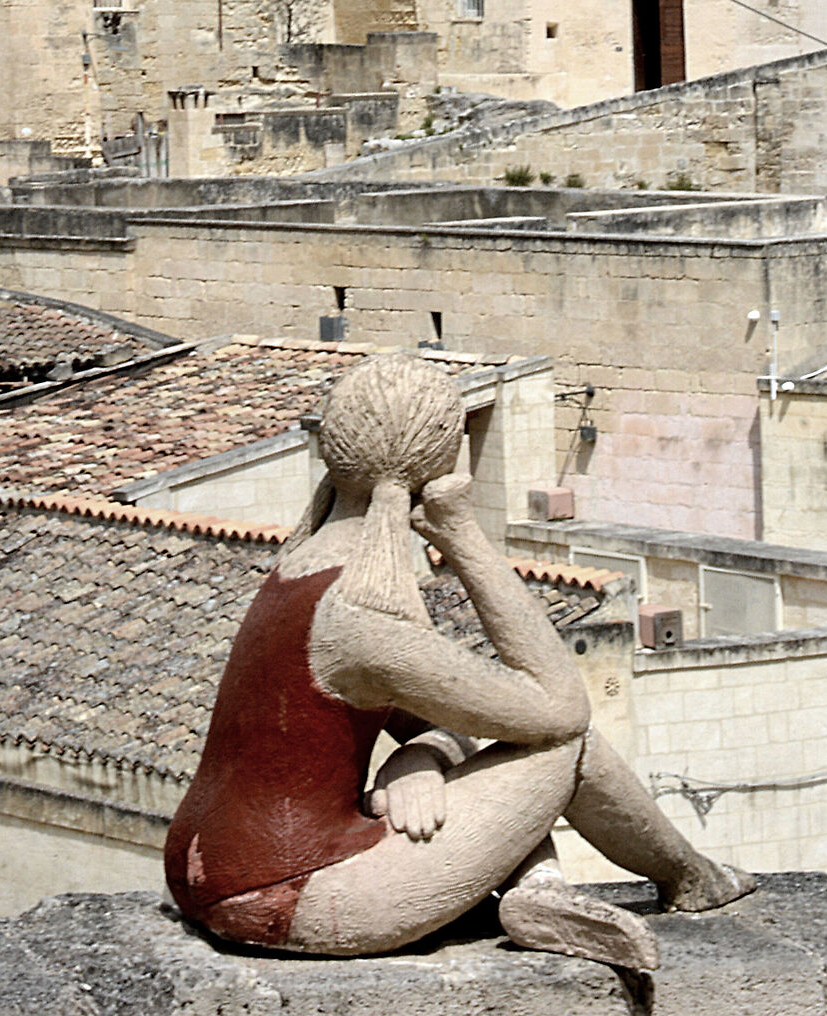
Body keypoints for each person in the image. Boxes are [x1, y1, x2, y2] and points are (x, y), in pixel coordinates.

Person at [165, 353, 750, 967]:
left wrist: (417, 758)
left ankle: (541, 890)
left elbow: (418, 717)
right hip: (293, 893)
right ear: (445, 456)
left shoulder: (299, 564)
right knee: (567, 747)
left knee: (497, 748)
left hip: (200, 869)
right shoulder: (362, 613)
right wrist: (462, 534)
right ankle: (691, 879)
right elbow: (561, 711)